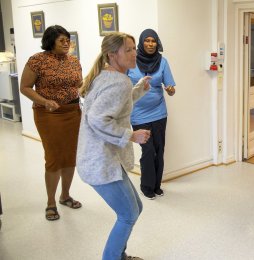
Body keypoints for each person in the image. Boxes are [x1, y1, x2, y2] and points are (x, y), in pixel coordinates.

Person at [77, 32, 151, 260]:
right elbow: (98, 119)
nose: (134, 53)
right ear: (112, 54)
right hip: (100, 161)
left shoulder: (105, 75)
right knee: (128, 214)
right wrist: (131, 136)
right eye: (128, 49)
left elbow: (115, 104)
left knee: (135, 207)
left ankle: (119, 255)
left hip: (102, 159)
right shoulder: (118, 81)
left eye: (133, 48)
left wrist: (138, 89)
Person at [20, 25, 82, 221]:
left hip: (73, 112)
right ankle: (50, 202)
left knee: (70, 156)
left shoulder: (74, 60)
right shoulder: (37, 60)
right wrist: (44, 101)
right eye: (61, 40)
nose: (66, 43)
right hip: (49, 114)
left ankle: (65, 196)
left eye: (68, 40)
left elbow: (79, 83)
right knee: (54, 157)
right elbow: (25, 87)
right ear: (50, 41)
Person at [127, 29, 176, 199]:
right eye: (147, 40)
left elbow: (171, 89)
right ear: (141, 43)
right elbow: (122, 85)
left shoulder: (162, 62)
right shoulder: (131, 62)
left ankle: (156, 185)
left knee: (159, 149)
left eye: (153, 41)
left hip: (159, 112)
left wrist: (170, 90)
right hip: (138, 113)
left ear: (157, 43)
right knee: (148, 151)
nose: (150, 44)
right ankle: (146, 186)